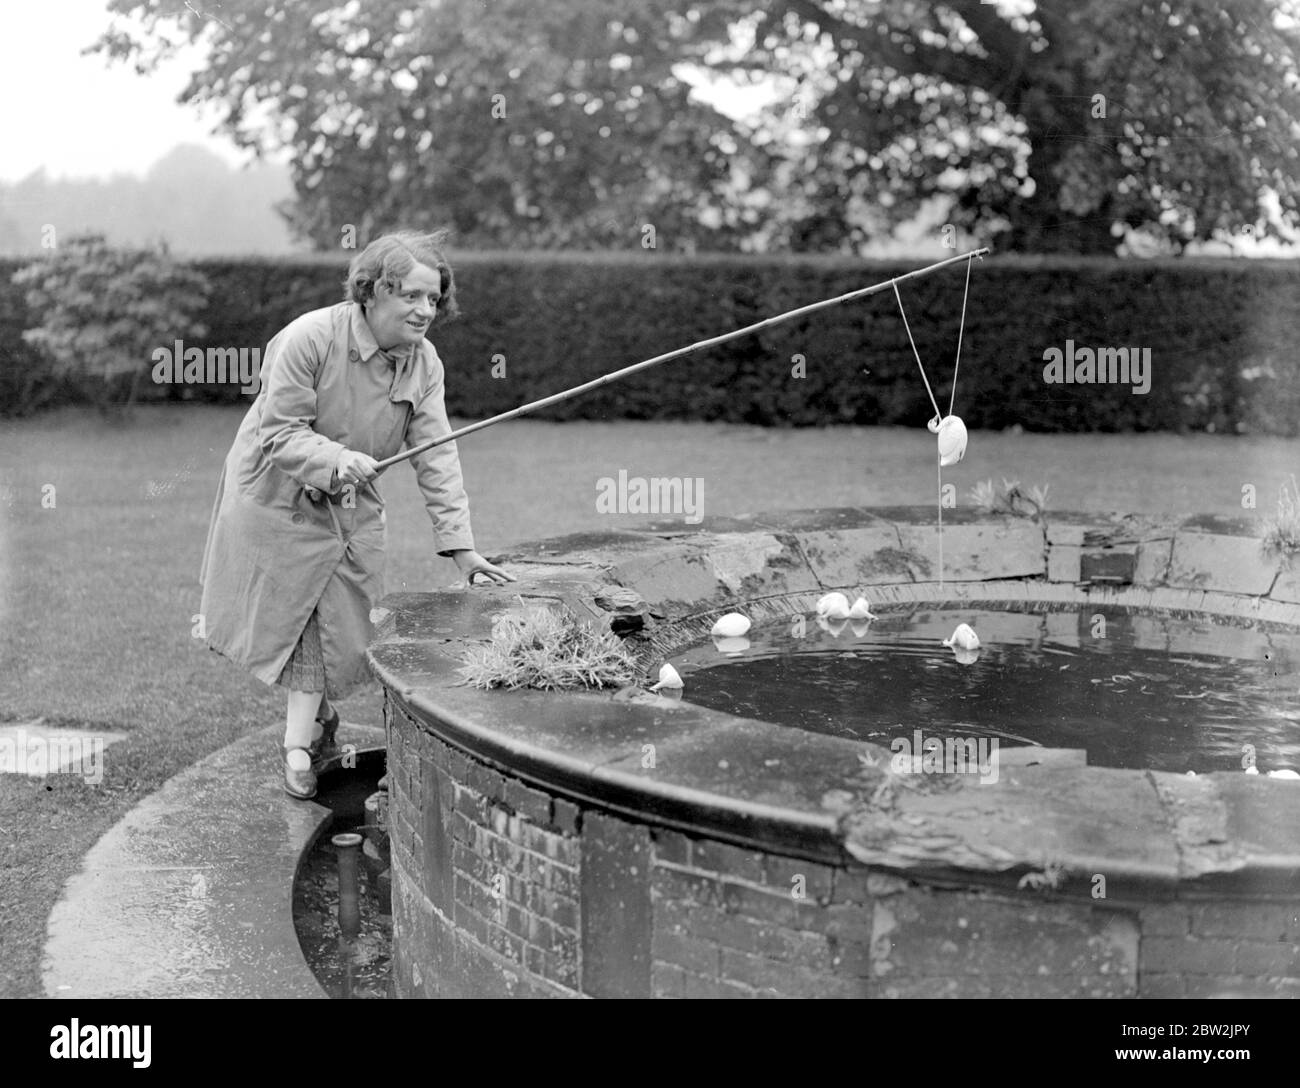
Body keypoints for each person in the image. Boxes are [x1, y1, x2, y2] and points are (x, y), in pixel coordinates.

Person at [199, 230, 514, 799]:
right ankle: (298, 749)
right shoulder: (307, 338)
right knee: (304, 620)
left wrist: (461, 547)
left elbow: (437, 454)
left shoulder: (425, 362)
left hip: (353, 503)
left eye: (433, 300)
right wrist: (338, 459)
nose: (425, 311)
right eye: (412, 297)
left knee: (345, 628)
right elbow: (280, 433)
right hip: (277, 497)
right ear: (371, 291)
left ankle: (317, 726)